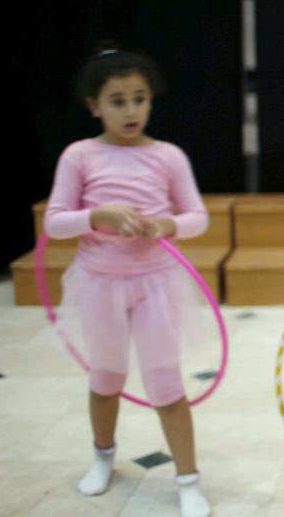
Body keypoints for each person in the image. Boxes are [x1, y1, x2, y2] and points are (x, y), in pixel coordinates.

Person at [44, 43, 212, 517]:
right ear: (94, 105)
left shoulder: (168, 156)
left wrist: (167, 225)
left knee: (165, 381)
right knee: (106, 376)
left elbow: (198, 216)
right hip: (99, 282)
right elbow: (54, 223)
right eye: (118, 100)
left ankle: (188, 479)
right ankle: (102, 457)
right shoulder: (79, 156)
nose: (131, 109)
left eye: (139, 98)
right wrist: (98, 214)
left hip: (156, 282)